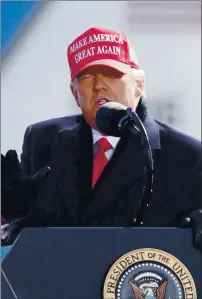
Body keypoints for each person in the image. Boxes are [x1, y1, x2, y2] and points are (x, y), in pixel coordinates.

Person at [1, 27, 202, 244]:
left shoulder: (188, 157)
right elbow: (22, 236)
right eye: (87, 77)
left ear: (139, 85)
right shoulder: (43, 141)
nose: (99, 85)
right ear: (75, 93)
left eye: (112, 74)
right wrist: (7, 216)